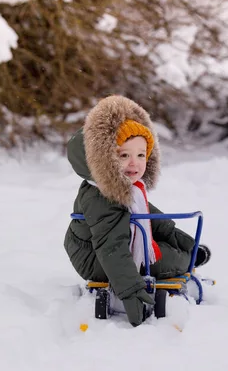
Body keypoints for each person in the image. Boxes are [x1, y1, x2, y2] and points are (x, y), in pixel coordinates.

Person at [64, 95, 211, 326]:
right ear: (104, 159)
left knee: (165, 243)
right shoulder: (102, 197)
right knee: (170, 258)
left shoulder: (128, 189)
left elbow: (155, 221)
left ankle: (188, 254)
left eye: (141, 155)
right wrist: (131, 291)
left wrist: (186, 243)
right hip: (95, 257)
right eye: (124, 155)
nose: (135, 163)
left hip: (108, 249)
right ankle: (185, 260)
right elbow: (111, 247)